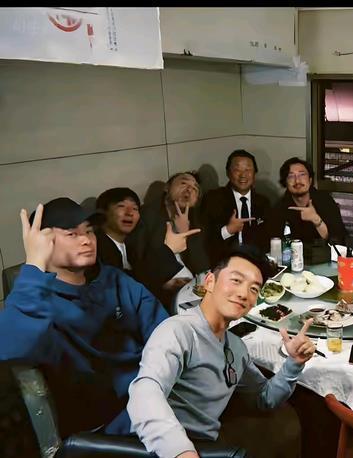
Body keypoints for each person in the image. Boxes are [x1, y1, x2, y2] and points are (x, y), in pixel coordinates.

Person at [124, 246, 316, 458]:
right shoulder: (178, 331)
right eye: (236, 280)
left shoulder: (235, 347)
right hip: (164, 449)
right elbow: (145, 391)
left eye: (254, 289)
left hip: (210, 446)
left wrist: (294, 362)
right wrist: (181, 451)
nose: (243, 293)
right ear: (209, 282)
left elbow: (264, 398)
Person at [0, 198, 168, 437]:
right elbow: (10, 348)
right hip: (110, 424)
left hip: (155, 392)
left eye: (89, 231)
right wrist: (35, 263)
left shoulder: (113, 279)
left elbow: (163, 331)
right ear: (44, 243)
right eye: (72, 234)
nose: (87, 240)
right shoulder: (37, 300)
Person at [130, 171, 209, 311]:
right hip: (158, 289)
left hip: (191, 287)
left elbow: (201, 264)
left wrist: (185, 233)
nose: (189, 189)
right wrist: (163, 283)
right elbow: (137, 262)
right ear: (167, 187)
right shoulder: (146, 216)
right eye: (183, 183)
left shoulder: (197, 218)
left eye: (195, 188)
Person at [200, 150, 270, 265]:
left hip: (257, 263)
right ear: (228, 173)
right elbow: (204, 239)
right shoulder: (213, 199)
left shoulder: (263, 202)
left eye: (248, 170)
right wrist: (228, 230)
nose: (243, 175)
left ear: (254, 174)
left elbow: (268, 238)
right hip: (224, 263)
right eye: (237, 170)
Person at [266, 157, 347, 244]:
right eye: (291, 176)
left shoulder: (325, 200)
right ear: (285, 182)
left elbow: (338, 240)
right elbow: (274, 243)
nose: (297, 180)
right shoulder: (279, 208)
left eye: (302, 175)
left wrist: (316, 220)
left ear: (310, 180)